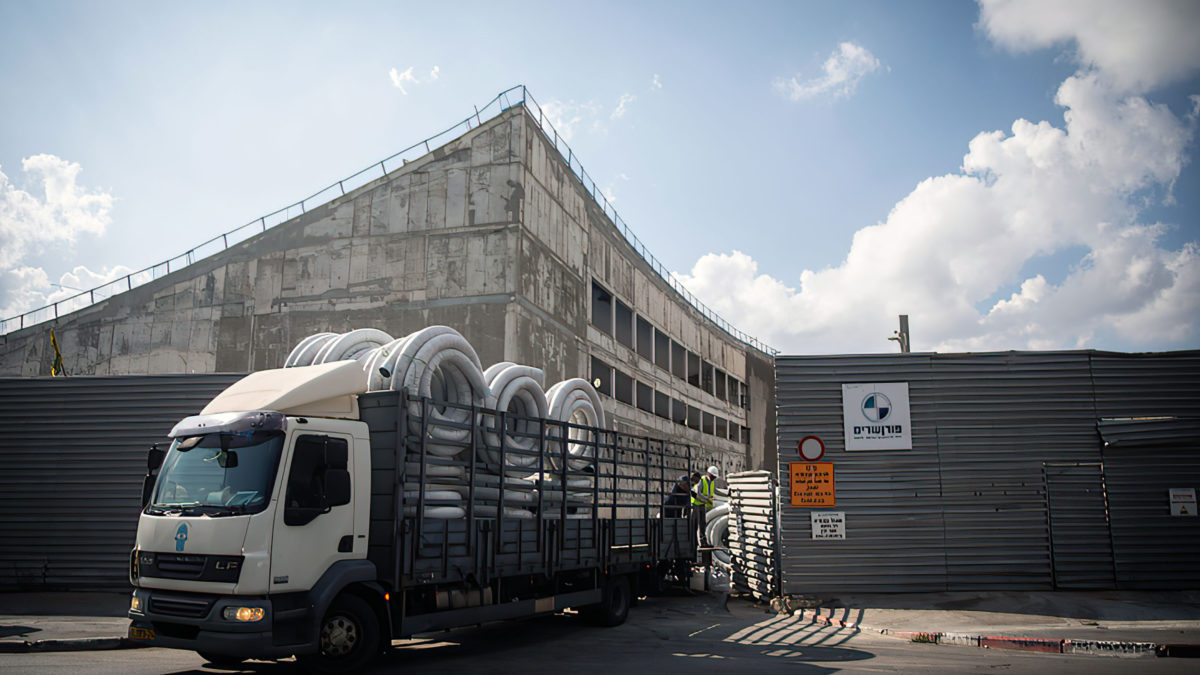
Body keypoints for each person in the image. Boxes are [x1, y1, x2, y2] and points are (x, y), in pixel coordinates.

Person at [690, 465, 719, 545]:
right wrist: (707, 499)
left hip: (702, 504)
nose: (714, 478)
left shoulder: (711, 482)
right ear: (709, 474)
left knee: (702, 523)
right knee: (695, 524)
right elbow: (698, 494)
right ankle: (693, 542)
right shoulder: (702, 481)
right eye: (713, 476)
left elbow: (714, 492)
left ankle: (703, 541)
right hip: (695, 504)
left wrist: (727, 493)